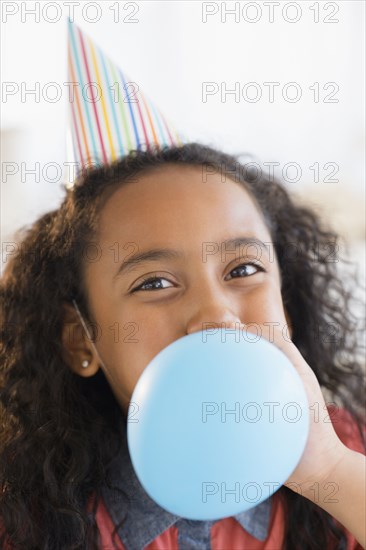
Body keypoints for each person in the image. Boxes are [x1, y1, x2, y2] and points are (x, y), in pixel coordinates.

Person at [0, 142, 365, 550]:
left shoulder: (346, 450)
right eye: (154, 283)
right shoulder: (24, 512)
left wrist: (329, 472)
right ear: (80, 339)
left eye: (243, 269)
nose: (216, 315)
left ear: (287, 307)